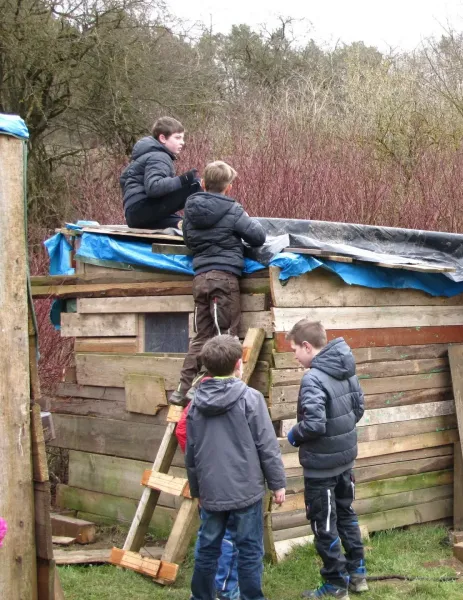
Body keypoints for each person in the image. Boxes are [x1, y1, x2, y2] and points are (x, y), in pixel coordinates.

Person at [185, 334, 286, 600]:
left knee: (207, 547)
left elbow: (192, 453)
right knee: (250, 549)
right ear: (239, 364)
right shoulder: (251, 398)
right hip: (246, 492)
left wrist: (197, 491)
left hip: (212, 492)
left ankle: (201, 597)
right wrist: (278, 484)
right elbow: (267, 445)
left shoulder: (195, 403)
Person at [169, 160, 266, 406]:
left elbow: (189, 242)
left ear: (203, 183)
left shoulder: (189, 210)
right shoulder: (232, 209)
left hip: (200, 278)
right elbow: (257, 237)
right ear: (229, 187)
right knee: (227, 337)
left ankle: (182, 389)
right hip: (224, 278)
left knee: (202, 335)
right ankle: (204, 389)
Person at [285, 319, 367, 599]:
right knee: (346, 515)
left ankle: (335, 585)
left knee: (324, 524)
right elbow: (358, 409)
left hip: (321, 468)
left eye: (295, 349)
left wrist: (294, 435)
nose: (294, 355)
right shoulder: (347, 369)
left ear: (308, 346)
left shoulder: (313, 377)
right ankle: (358, 574)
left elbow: (315, 424)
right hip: (346, 461)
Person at [176, 401, 239, 600]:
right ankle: (225, 589)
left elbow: (182, 431)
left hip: (207, 479)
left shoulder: (196, 400)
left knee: (208, 535)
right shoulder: (243, 397)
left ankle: (204, 592)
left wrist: (200, 460)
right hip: (233, 478)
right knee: (230, 533)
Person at [120, 116, 201, 229]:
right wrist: (183, 180)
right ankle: (206, 223)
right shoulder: (159, 156)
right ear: (163, 138)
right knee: (197, 184)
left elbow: (123, 180)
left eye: (183, 138)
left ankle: (180, 224)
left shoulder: (145, 156)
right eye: (177, 138)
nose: (182, 142)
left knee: (179, 222)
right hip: (141, 209)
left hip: (134, 215)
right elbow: (154, 187)